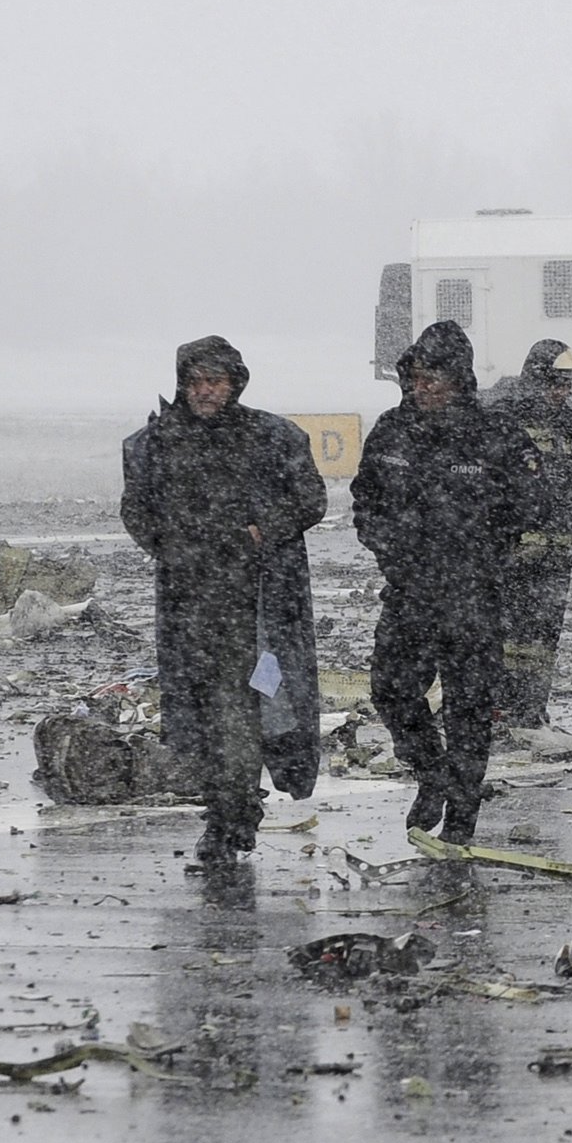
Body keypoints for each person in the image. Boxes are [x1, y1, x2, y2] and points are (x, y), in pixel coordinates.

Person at [119, 335, 327, 883]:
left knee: (250, 713)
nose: (206, 390)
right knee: (204, 721)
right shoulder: (154, 444)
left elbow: (310, 499)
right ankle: (229, 813)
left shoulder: (272, 437)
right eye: (196, 380)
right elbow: (137, 512)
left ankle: (231, 817)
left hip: (259, 608)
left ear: (235, 382)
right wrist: (179, 546)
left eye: (216, 380)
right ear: (183, 384)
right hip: (190, 609)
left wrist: (264, 530)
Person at [352, 318, 534, 847]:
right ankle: (431, 772)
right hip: (410, 591)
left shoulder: (495, 434)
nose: (422, 387)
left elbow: (530, 503)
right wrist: (392, 547)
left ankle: (463, 806)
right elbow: (367, 500)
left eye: (434, 377)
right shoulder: (391, 429)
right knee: (391, 690)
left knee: (469, 707)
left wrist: (479, 547)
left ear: (460, 380)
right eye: (415, 376)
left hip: (473, 596)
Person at [492, 339, 572, 725]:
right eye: (557, 383)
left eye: (568, 385)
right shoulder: (504, 419)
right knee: (506, 634)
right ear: (537, 380)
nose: (563, 392)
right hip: (512, 551)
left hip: (556, 554)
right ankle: (501, 706)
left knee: (543, 638)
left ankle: (533, 708)